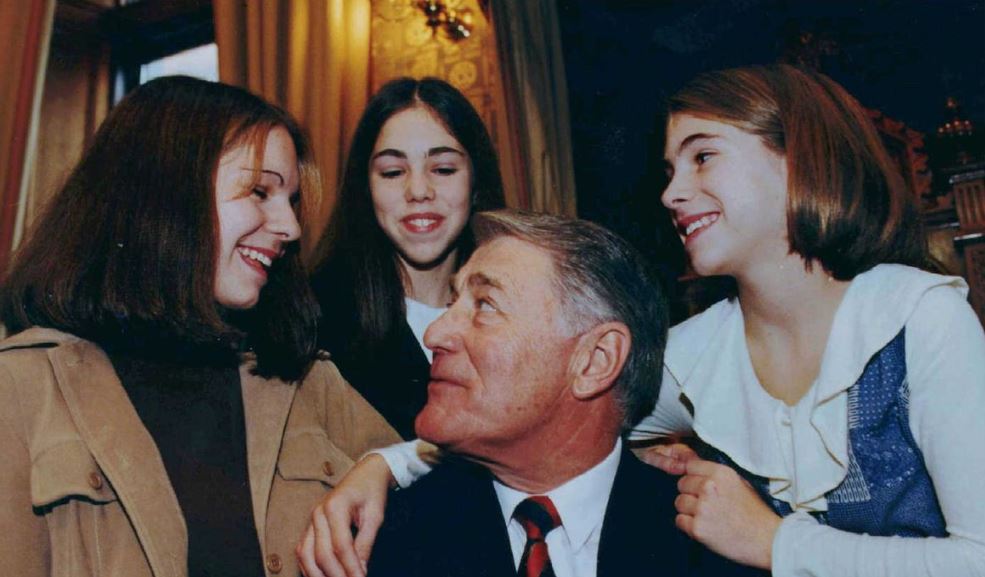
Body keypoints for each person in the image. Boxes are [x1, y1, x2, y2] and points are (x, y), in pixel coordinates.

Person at [296, 64, 985, 577]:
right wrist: (379, 468)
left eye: (702, 156)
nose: (671, 192)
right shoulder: (695, 354)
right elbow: (543, 419)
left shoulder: (919, 318)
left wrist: (776, 543)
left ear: (800, 161)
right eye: (667, 167)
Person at [0, 76, 400, 577]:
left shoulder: (305, 383)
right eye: (260, 191)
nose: (291, 228)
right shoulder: (20, 388)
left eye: (291, 200)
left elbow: (454, 473)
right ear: (168, 194)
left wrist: (386, 466)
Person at [301, 209, 756, 577]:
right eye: (451, 303)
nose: (435, 333)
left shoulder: (716, 546)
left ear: (596, 361)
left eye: (485, 305)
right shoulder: (382, 546)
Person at [309, 77, 506, 439]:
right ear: (365, 188)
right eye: (393, 172)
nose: (418, 191)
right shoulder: (314, 321)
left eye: (443, 169)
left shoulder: (521, 308)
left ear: (476, 182)